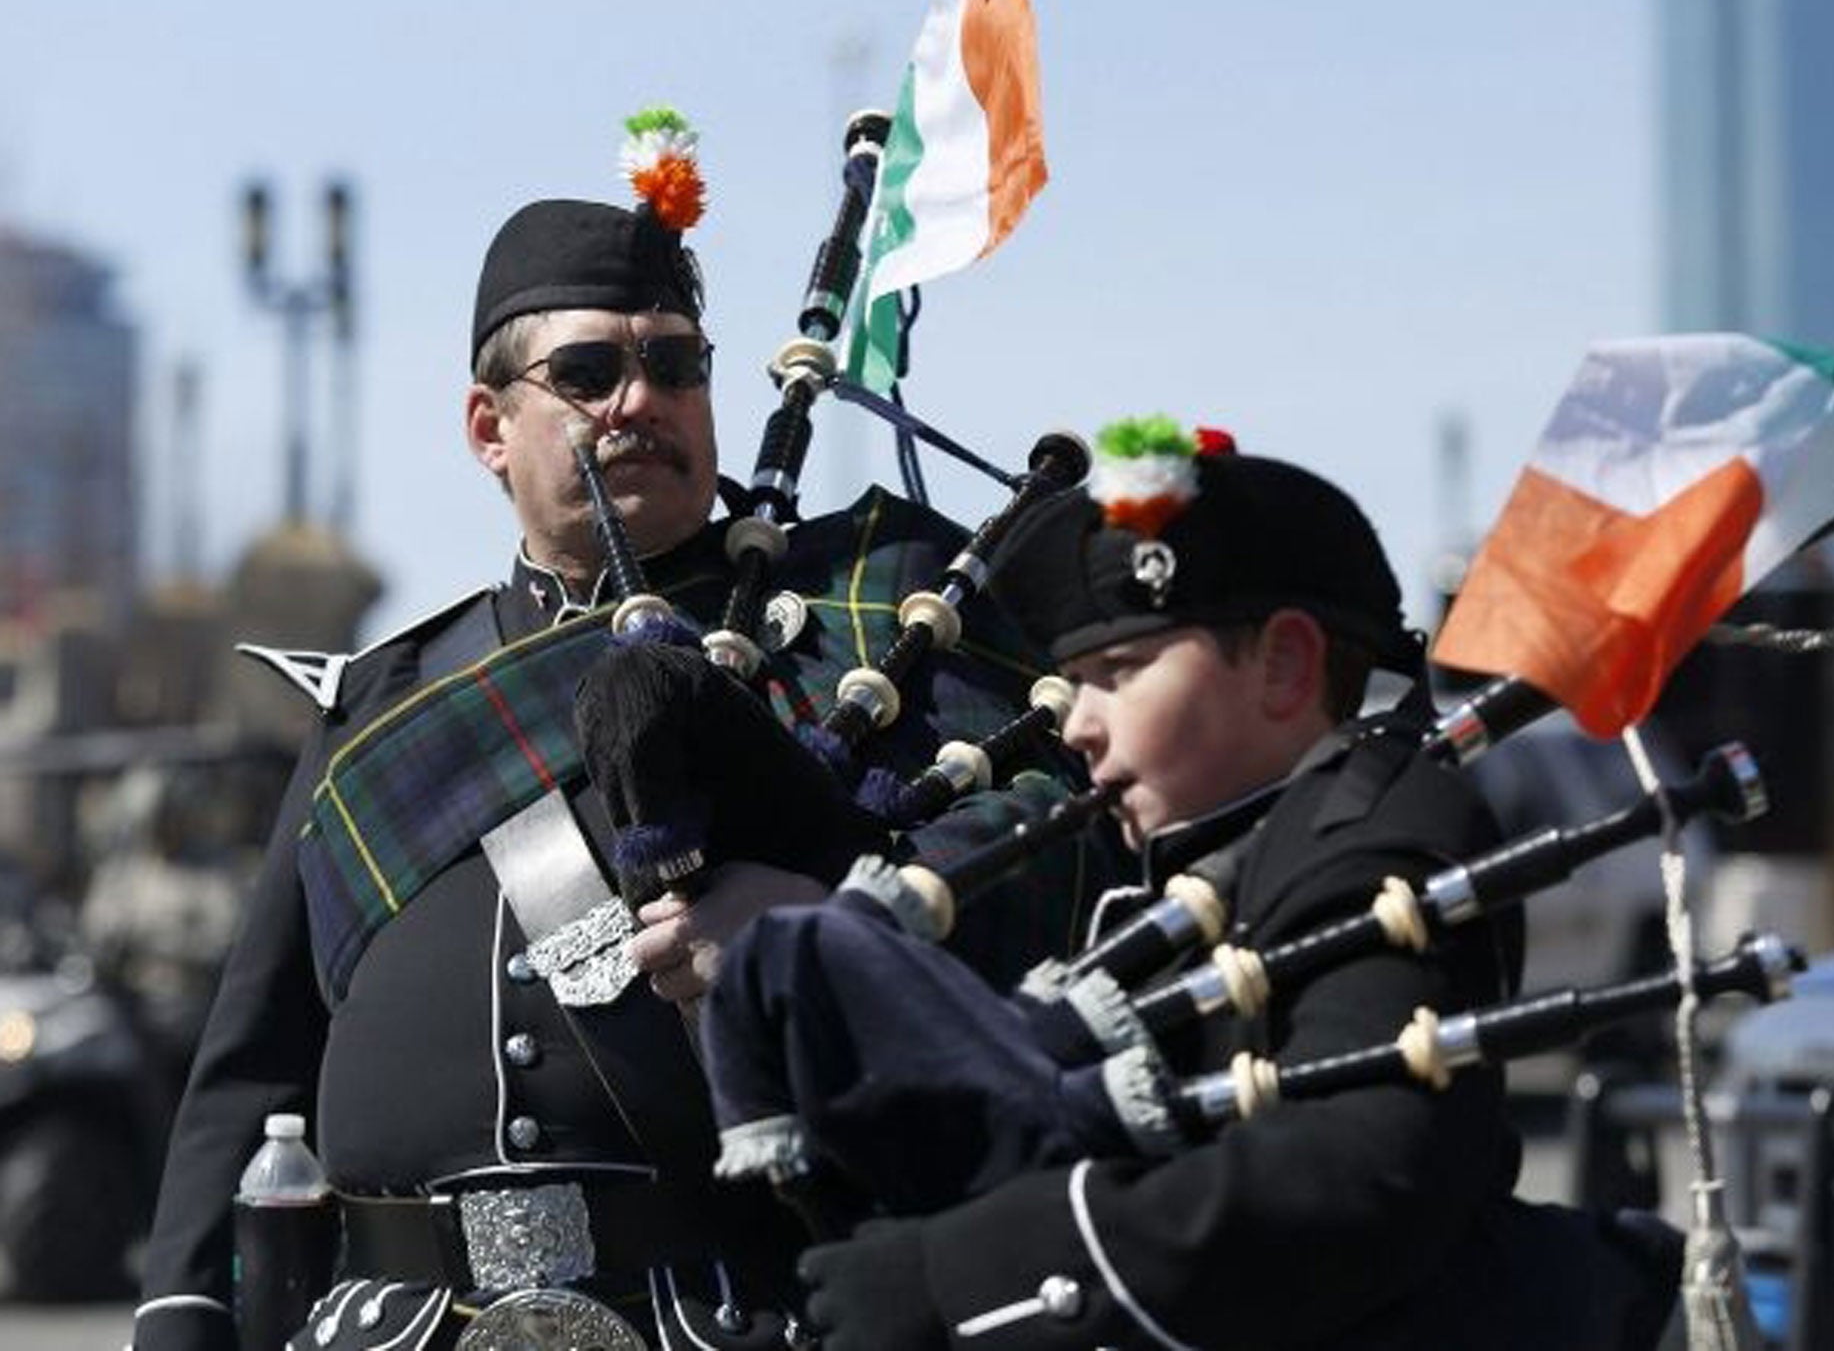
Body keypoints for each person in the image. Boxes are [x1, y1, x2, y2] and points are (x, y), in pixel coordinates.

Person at [131, 176, 1105, 1351]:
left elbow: (1068, 835)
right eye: (588, 374)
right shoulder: (389, 693)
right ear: (489, 428)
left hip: (724, 1309)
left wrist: (842, 920)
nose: (640, 400)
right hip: (397, 1325)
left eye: (677, 365)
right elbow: (255, 1061)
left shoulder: (867, 603)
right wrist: (183, 1318)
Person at [785, 420, 1679, 1350]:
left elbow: (1360, 1173)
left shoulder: (1379, 832)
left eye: (1119, 672)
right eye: (1073, 682)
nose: (1079, 724)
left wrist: (966, 1274)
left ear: (1285, 664)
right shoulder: (1176, 864)